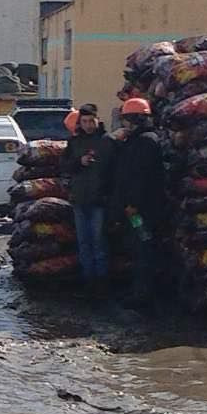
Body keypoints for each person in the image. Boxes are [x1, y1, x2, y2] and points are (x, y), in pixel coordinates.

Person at [111, 96, 168, 308]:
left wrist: (132, 204)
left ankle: (143, 294)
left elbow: (140, 177)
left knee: (142, 247)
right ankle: (140, 291)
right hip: (139, 207)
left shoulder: (145, 142)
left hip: (141, 209)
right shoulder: (140, 140)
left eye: (126, 119)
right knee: (138, 247)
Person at [60, 102, 115, 290]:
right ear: (80, 123)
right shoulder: (74, 142)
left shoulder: (106, 142)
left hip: (98, 200)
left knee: (98, 241)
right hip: (79, 199)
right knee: (84, 242)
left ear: (97, 121)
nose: (89, 125)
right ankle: (88, 279)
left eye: (91, 121)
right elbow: (65, 165)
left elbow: (114, 170)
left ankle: (102, 280)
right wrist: (79, 162)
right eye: (85, 121)